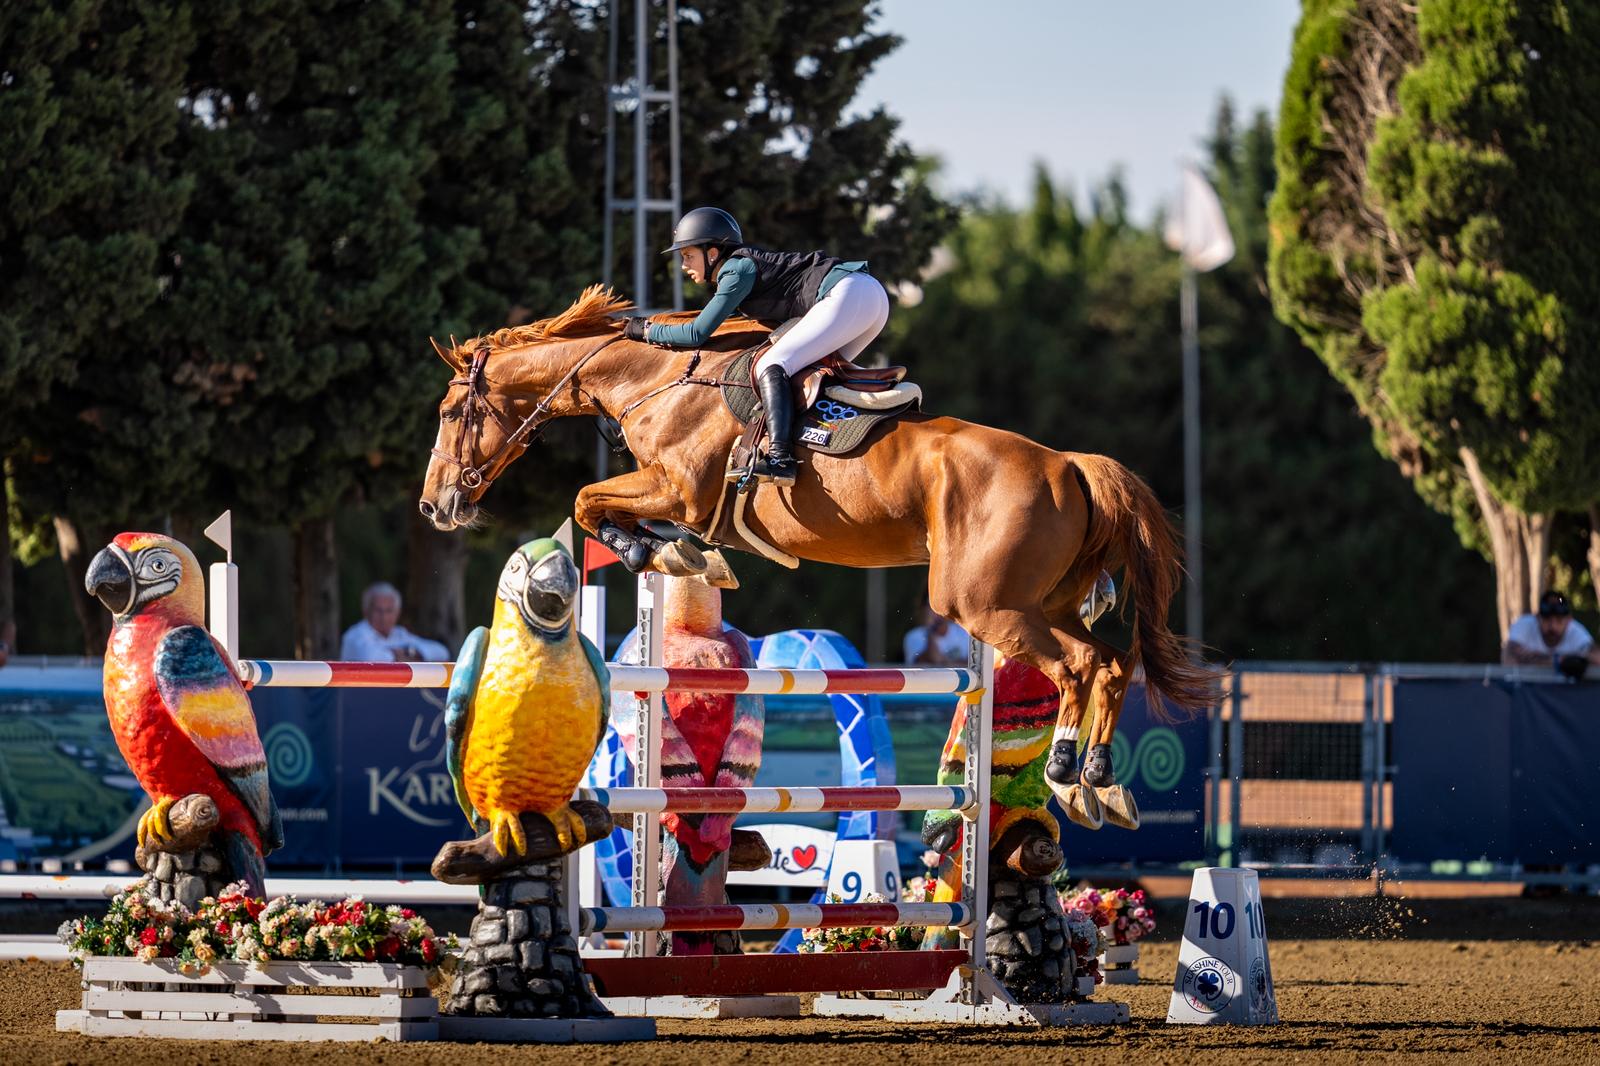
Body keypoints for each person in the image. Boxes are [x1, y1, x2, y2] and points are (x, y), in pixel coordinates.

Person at [624, 207, 891, 486]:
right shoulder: (742, 269)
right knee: (813, 375)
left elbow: (696, 333)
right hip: (871, 298)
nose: (684, 265)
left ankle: (781, 459)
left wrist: (645, 330)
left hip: (848, 294)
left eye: (688, 256)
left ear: (712, 253)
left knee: (770, 365)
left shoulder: (735, 270)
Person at [340, 583, 451, 662]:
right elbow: (371, 658)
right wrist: (409, 657)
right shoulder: (355, 635)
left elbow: (442, 652)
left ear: (397, 613)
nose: (383, 616)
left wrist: (409, 652)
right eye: (378, 610)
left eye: (389, 610)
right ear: (366, 611)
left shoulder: (400, 634)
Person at [1503, 591, 1600, 678]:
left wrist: (1582, 662)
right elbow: (1510, 655)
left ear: (1568, 620)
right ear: (1538, 617)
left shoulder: (1576, 632)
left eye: (1559, 620)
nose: (1553, 626)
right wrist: (1560, 661)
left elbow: (1597, 657)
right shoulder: (1524, 624)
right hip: (1527, 692)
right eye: (1547, 619)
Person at [903, 598, 971, 666]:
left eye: (939, 605)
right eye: (931, 606)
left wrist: (943, 662)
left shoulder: (964, 632)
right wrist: (930, 630)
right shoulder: (914, 636)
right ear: (924, 610)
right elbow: (932, 659)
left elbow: (972, 664)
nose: (936, 611)